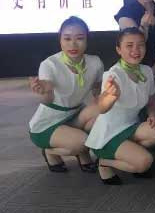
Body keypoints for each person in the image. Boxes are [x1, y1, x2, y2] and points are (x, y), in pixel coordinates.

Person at [85, 28, 155, 185]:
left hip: (131, 127)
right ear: (119, 49)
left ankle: (128, 153)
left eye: (140, 45)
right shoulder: (112, 75)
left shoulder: (146, 71)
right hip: (109, 134)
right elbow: (102, 108)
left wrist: (153, 115)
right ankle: (104, 162)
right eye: (129, 45)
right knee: (145, 163)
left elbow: (151, 101)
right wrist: (110, 97)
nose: (136, 50)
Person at [28, 17, 103, 173]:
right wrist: (45, 91)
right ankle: (50, 152)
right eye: (67, 39)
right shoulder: (49, 64)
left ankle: (81, 152)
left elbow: (98, 92)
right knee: (83, 142)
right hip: (47, 124)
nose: (73, 44)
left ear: (87, 40)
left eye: (79, 38)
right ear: (60, 40)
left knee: (102, 112)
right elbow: (48, 100)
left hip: (75, 114)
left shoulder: (95, 62)